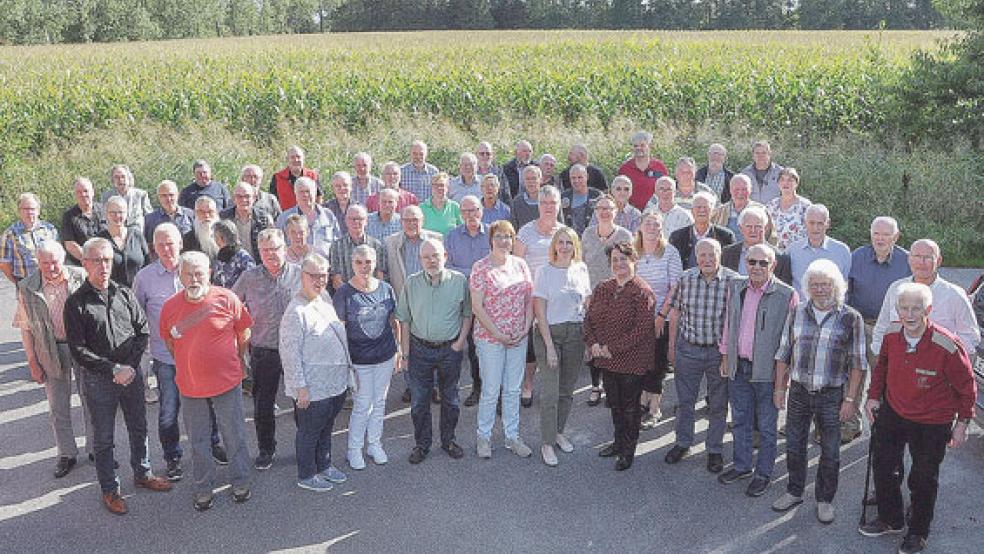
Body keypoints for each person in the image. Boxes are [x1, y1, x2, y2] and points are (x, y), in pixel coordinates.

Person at [859, 283, 976, 554]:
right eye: (904, 308)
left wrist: (962, 423)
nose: (909, 314)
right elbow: (882, 367)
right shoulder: (890, 334)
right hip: (894, 411)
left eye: (916, 309)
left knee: (923, 478)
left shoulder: (946, 345)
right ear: (897, 309)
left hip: (933, 420)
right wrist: (873, 396)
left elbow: (967, 387)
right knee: (884, 467)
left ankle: (918, 532)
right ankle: (891, 518)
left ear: (929, 310)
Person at [64, 237, 171, 515]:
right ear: (85, 263)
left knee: (139, 428)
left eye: (108, 260)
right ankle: (110, 490)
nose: (104, 266)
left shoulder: (124, 293)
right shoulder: (76, 303)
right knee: (103, 439)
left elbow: (142, 331)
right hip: (99, 380)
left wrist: (131, 367)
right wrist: (113, 369)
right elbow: (77, 349)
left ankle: (143, 473)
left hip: (131, 375)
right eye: (97, 260)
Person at [772, 259, 867, 524]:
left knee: (830, 451)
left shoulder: (851, 318)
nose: (820, 289)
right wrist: (780, 388)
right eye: (814, 285)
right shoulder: (797, 312)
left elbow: (859, 364)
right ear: (807, 288)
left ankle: (825, 500)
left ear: (836, 286)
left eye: (825, 284)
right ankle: (794, 491)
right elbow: (783, 353)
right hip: (800, 391)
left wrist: (850, 400)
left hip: (832, 394)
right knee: (794, 444)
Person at [134, 223, 228, 482]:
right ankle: (173, 457)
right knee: (169, 410)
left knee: (209, 404)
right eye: (161, 244)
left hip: (201, 356)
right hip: (167, 357)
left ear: (180, 244)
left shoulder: (194, 269)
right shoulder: (144, 278)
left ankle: (213, 443)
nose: (166, 249)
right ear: (154, 247)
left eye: (171, 243)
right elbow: (138, 316)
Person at [160, 251, 253, 510]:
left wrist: (235, 358)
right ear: (180, 275)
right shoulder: (169, 308)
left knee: (234, 435)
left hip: (227, 382)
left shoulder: (227, 298)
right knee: (198, 440)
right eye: (188, 273)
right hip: (190, 386)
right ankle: (203, 487)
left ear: (209, 273)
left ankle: (241, 481)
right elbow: (170, 343)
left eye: (199, 272)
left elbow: (244, 331)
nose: (193, 278)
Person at [717, 244, 797, 498]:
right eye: (752, 262)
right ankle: (741, 466)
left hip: (768, 370)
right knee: (740, 420)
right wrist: (725, 355)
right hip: (738, 366)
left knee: (767, 426)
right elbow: (729, 323)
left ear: (773, 265)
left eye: (764, 263)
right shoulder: (736, 286)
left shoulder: (787, 295)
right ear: (745, 263)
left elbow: (790, 340)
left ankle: (763, 474)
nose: (757, 267)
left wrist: (782, 382)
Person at [14, 241, 93, 478]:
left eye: (55, 261)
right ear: (38, 263)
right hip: (50, 349)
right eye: (45, 263)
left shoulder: (81, 277)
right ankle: (67, 454)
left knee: (90, 400)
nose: (50, 267)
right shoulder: (27, 287)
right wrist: (32, 361)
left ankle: (95, 448)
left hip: (82, 347)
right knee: (58, 406)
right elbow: (26, 328)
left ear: (64, 259)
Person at [276, 253, 351, 491]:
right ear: (302, 276)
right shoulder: (295, 312)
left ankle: (324, 465)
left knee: (327, 426)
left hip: (334, 382)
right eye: (314, 276)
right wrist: (300, 388)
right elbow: (289, 354)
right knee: (310, 431)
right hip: (312, 386)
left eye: (323, 275)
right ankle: (307, 474)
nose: (319, 280)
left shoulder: (324, 297)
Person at [395, 239, 472, 464]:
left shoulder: (459, 282)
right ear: (420, 260)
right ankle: (422, 444)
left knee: (451, 400)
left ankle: (448, 440)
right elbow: (405, 320)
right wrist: (405, 354)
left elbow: (467, 314)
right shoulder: (411, 283)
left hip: (450, 349)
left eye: (435, 255)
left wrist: (460, 343)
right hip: (419, 350)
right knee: (419, 402)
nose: (431, 260)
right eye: (426, 257)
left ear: (445, 256)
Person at [231, 228, 302, 470]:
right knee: (263, 405)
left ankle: (305, 446)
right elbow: (231, 303)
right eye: (265, 250)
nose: (271, 254)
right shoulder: (249, 277)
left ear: (285, 249)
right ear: (258, 252)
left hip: (296, 349)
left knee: (301, 402)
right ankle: (266, 449)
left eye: (276, 248)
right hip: (263, 349)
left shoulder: (300, 274)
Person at [583, 242, 657, 470]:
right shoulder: (603, 287)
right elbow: (588, 319)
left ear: (634, 260)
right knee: (614, 404)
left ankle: (628, 450)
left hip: (631, 361)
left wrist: (611, 348)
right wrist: (593, 343)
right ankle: (617, 442)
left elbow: (641, 330)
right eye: (614, 260)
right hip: (606, 359)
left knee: (630, 407)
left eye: (624, 259)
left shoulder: (642, 292)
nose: (619, 264)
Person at [665, 238, 736, 473]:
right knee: (685, 401)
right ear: (696, 257)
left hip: (718, 352)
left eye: (712, 254)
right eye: (702, 255)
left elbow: (735, 321)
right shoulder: (685, 279)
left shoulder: (733, 281)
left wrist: (729, 354)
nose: (707, 259)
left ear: (720, 256)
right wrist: (672, 347)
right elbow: (674, 314)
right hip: (689, 349)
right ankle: (683, 442)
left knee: (718, 403)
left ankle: (714, 449)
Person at [470, 220, 534, 459]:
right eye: (499, 236)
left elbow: (529, 300)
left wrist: (525, 328)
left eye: (508, 236)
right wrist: (497, 334)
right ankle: (483, 437)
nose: (504, 241)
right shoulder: (481, 268)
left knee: (513, 389)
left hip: (518, 337)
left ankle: (512, 436)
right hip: (490, 338)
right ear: (491, 239)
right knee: (490, 389)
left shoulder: (521, 265)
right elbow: (477, 306)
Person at [843, 216, 911, 441]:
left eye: (885, 234)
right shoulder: (857, 256)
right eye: (876, 234)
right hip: (858, 323)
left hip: (890, 329)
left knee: (885, 378)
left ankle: (883, 426)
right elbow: (845, 291)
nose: (880, 239)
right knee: (853, 374)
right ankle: (850, 425)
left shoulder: (907, 261)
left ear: (896, 236)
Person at [334, 245, 400, 470]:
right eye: (359, 262)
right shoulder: (344, 293)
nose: (364, 267)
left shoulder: (386, 288)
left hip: (385, 355)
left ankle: (374, 444)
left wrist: (399, 349)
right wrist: (345, 362)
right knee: (363, 404)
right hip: (359, 359)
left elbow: (395, 320)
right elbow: (340, 329)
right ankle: (354, 449)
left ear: (375, 263)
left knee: (379, 401)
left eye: (368, 262)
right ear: (352, 265)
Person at [533, 227, 591, 466]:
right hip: (550, 334)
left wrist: (588, 340)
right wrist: (549, 347)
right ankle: (546, 443)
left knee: (567, 391)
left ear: (575, 246)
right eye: (561, 242)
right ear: (554, 246)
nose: (565, 246)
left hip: (575, 334)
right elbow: (539, 311)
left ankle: (558, 432)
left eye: (569, 242)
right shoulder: (544, 271)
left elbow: (586, 306)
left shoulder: (581, 269)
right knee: (549, 393)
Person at [872, 239, 980, 357]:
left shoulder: (955, 295)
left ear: (938, 261)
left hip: (938, 368)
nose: (921, 262)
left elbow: (971, 337)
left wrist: (945, 357)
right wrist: (880, 355)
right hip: (898, 363)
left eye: (927, 257)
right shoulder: (896, 288)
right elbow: (882, 327)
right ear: (909, 259)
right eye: (917, 256)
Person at [384, 205, 441, 403]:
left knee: (433, 344)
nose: (411, 224)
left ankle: (434, 386)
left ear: (422, 221)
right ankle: (412, 385)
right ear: (401, 222)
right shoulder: (390, 243)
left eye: (415, 220)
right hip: (404, 300)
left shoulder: (436, 240)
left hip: (432, 301)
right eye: (407, 220)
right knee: (407, 346)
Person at [514, 185, 565, 407]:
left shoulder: (564, 233)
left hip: (557, 298)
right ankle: (527, 384)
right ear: (538, 205)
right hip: (532, 296)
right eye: (544, 203)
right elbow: (516, 264)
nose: (548, 207)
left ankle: (553, 388)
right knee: (532, 347)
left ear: (559, 205)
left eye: (553, 203)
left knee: (555, 342)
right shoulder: (525, 232)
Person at [580, 194, 634, 406]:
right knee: (593, 339)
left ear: (616, 211)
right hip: (592, 295)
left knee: (614, 338)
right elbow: (581, 265)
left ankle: (614, 383)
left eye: (608, 208)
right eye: (600, 208)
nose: (604, 211)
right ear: (595, 212)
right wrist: (585, 294)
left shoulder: (625, 235)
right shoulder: (586, 234)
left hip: (617, 294)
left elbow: (631, 265)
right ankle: (596, 385)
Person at [634, 211, 683, 426]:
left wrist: (661, 316)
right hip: (635, 318)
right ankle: (642, 401)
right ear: (640, 227)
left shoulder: (670, 252)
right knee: (640, 362)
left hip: (661, 316)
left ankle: (654, 409)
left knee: (657, 363)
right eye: (649, 224)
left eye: (657, 225)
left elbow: (676, 287)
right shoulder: (632, 251)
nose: (653, 228)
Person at [445, 196, 490, 407]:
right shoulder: (452, 237)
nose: (471, 215)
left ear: (481, 210)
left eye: (474, 210)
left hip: (492, 300)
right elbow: (448, 267)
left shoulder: (493, 233)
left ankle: (496, 390)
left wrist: (475, 274)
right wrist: (474, 272)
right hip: (464, 298)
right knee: (473, 348)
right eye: (466, 211)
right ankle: (478, 387)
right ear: (460, 213)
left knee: (493, 345)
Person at [788, 204, 852, 298]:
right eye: (812, 223)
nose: (815, 228)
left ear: (828, 224)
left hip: (832, 310)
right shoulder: (792, 251)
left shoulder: (842, 251)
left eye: (820, 223)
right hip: (800, 310)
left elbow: (846, 286)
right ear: (805, 223)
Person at [721, 205, 793, 285]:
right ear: (740, 228)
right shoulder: (727, 253)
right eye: (748, 226)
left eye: (758, 226)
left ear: (765, 228)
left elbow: (784, 291)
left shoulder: (781, 258)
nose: (753, 230)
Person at [1, 193, 60, 284]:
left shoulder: (49, 229)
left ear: (38, 210)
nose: (29, 212)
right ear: (19, 211)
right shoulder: (9, 234)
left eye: (32, 209)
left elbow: (59, 256)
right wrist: (18, 284)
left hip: (52, 281)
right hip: (27, 284)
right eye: (25, 209)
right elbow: (4, 264)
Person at [669, 191, 735, 270]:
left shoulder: (726, 236)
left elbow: (730, 266)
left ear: (713, 211)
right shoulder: (677, 237)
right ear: (692, 211)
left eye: (705, 207)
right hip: (686, 281)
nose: (702, 210)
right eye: (698, 207)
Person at [329, 204, 387, 291]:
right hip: (347, 297)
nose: (356, 222)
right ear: (346, 221)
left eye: (360, 219)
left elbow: (380, 277)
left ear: (366, 221)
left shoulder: (377, 246)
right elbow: (336, 280)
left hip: (371, 296)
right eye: (352, 219)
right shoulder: (336, 246)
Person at [276, 177, 341, 252]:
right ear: (295, 194)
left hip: (325, 262)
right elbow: (278, 246)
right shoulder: (284, 218)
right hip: (296, 263)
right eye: (301, 192)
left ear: (315, 193)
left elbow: (338, 244)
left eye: (307, 191)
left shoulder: (328, 215)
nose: (305, 195)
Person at [97, 195, 149, 288]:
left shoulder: (137, 235)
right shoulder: (99, 240)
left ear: (127, 213)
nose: (117, 216)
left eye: (120, 212)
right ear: (106, 214)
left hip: (139, 293)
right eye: (112, 212)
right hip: (111, 295)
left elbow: (147, 264)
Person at [710, 174, 773, 244]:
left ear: (750, 190)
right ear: (730, 190)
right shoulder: (719, 212)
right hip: (726, 253)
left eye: (744, 189)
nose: (740, 193)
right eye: (737, 189)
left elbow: (771, 238)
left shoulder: (761, 210)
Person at [221, 181, 276, 259]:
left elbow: (272, 243)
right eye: (239, 196)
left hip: (259, 264)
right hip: (232, 265)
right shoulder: (224, 217)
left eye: (247, 196)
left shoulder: (265, 218)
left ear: (254, 198)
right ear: (233, 198)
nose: (243, 200)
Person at [618, 131, 670, 210]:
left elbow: (668, 191)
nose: (639, 148)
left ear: (650, 146)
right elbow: (618, 194)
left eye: (642, 145)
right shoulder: (625, 169)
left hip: (656, 213)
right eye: (636, 146)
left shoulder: (660, 167)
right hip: (631, 215)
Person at [62, 177, 107, 265]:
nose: (83, 194)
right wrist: (90, 261)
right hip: (82, 264)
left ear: (93, 192)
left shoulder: (105, 210)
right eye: (79, 192)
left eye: (86, 191)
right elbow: (70, 245)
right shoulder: (69, 216)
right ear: (75, 195)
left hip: (106, 260)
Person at [765, 167, 812, 252]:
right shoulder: (771, 205)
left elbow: (812, 230)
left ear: (796, 183)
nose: (785, 183)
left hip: (799, 252)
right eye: (782, 180)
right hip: (775, 254)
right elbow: (766, 231)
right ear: (778, 183)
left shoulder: (806, 206)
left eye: (790, 180)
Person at [101, 165, 153, 229]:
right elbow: (104, 219)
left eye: (123, 176)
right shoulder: (106, 196)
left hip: (137, 235)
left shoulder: (141, 195)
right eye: (116, 177)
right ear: (112, 180)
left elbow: (150, 219)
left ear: (129, 178)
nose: (120, 180)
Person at [144, 180, 194, 247]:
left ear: (177, 195)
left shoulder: (191, 214)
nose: (168, 199)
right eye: (164, 195)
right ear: (158, 197)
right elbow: (148, 244)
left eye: (171, 195)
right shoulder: (150, 219)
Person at [269, 145, 320, 211]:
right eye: (292, 157)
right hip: (286, 218)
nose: (296, 160)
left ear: (303, 159)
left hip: (308, 216)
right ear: (287, 159)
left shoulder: (313, 176)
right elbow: (272, 201)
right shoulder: (277, 177)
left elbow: (319, 197)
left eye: (298, 157)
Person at [510, 165, 561, 230]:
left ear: (541, 180)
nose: (531, 182)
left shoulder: (551, 199)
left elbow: (560, 224)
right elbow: (514, 228)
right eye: (527, 179)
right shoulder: (517, 202)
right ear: (523, 181)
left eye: (534, 178)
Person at [211, 219, 255, 288]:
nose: (214, 240)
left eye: (216, 237)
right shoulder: (220, 256)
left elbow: (250, 281)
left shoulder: (243, 258)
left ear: (223, 238)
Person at [561, 164, 603, 235]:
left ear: (587, 177)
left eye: (580, 177)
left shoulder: (597, 196)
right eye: (573, 178)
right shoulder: (563, 197)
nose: (576, 181)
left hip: (593, 237)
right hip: (568, 239)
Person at [183, 196, 220, 261]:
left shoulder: (226, 236)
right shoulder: (187, 240)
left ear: (216, 212)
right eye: (201, 212)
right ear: (195, 213)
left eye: (210, 211)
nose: (206, 216)